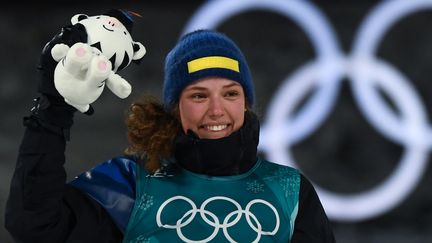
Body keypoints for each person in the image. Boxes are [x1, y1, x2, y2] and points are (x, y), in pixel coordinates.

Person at [5, 24, 336, 242]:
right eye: (198, 95)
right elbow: (33, 224)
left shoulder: (290, 192)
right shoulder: (131, 183)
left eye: (231, 93)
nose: (217, 110)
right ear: (175, 107)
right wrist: (53, 111)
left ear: (246, 103)